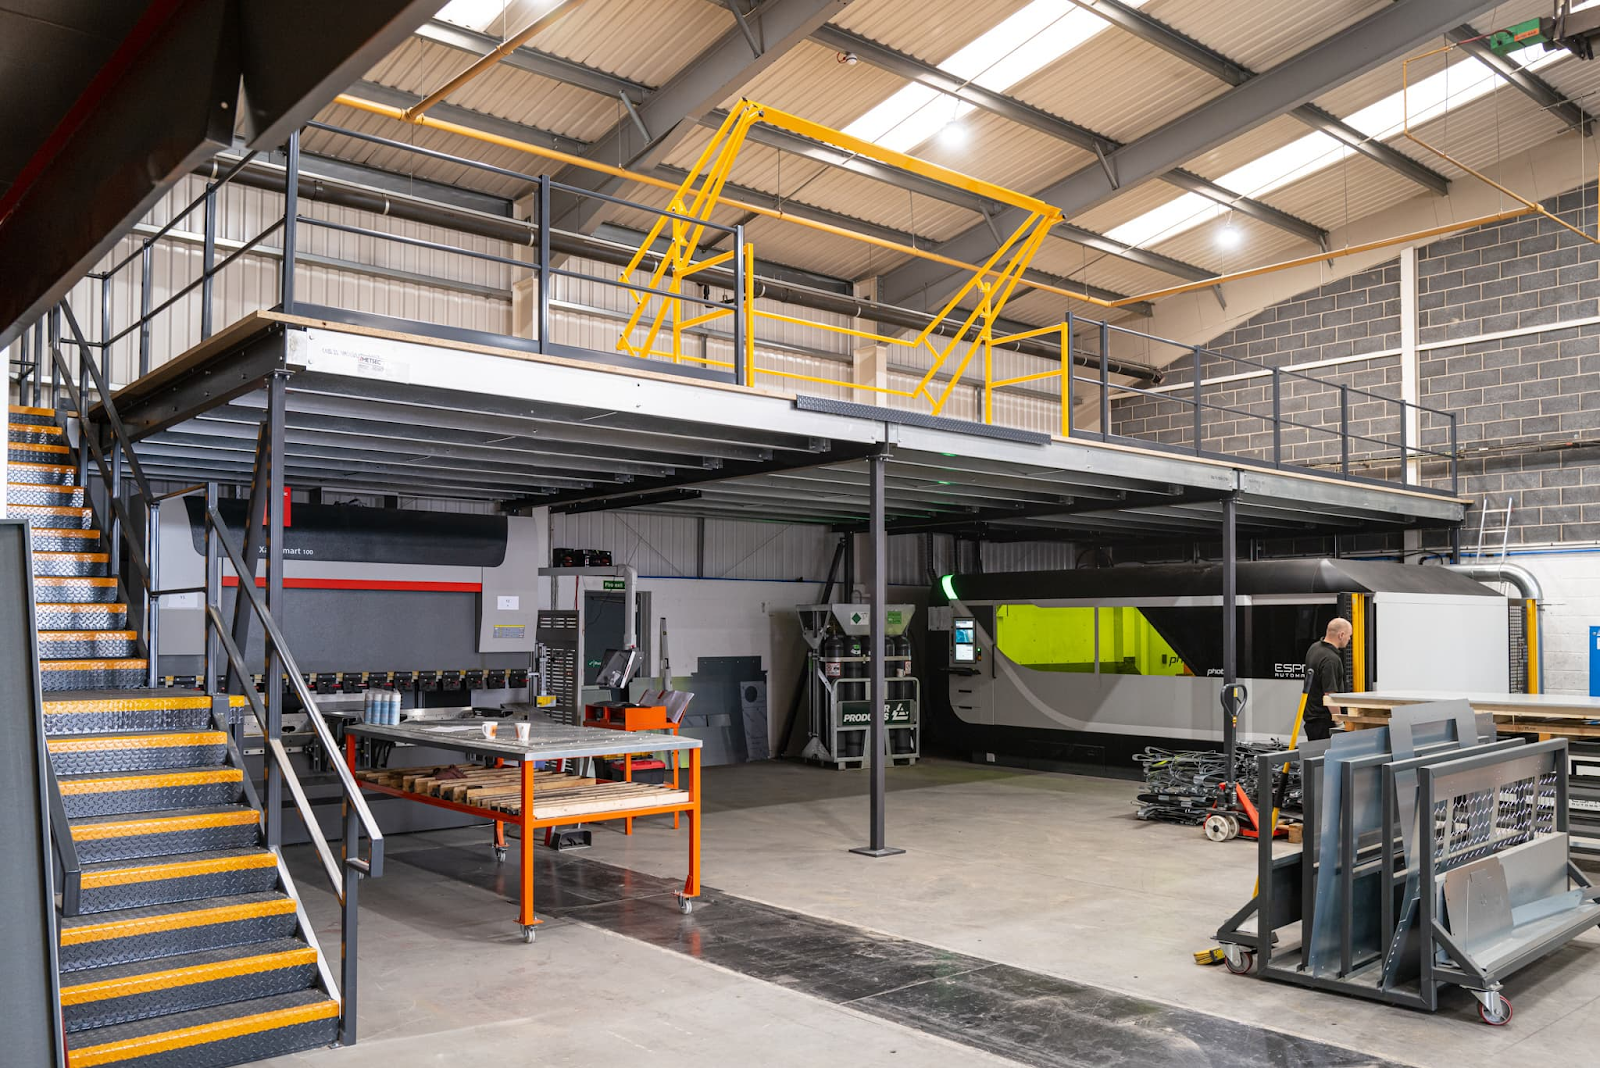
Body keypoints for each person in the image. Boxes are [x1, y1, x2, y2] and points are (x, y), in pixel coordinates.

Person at [1302, 617, 1352, 741]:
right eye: (1349, 636)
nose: (1349, 639)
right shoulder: (1331, 659)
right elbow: (1330, 695)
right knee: (1325, 759)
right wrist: (1339, 723)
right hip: (1324, 722)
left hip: (1312, 720)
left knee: (1315, 758)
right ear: (1341, 635)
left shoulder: (1314, 648)